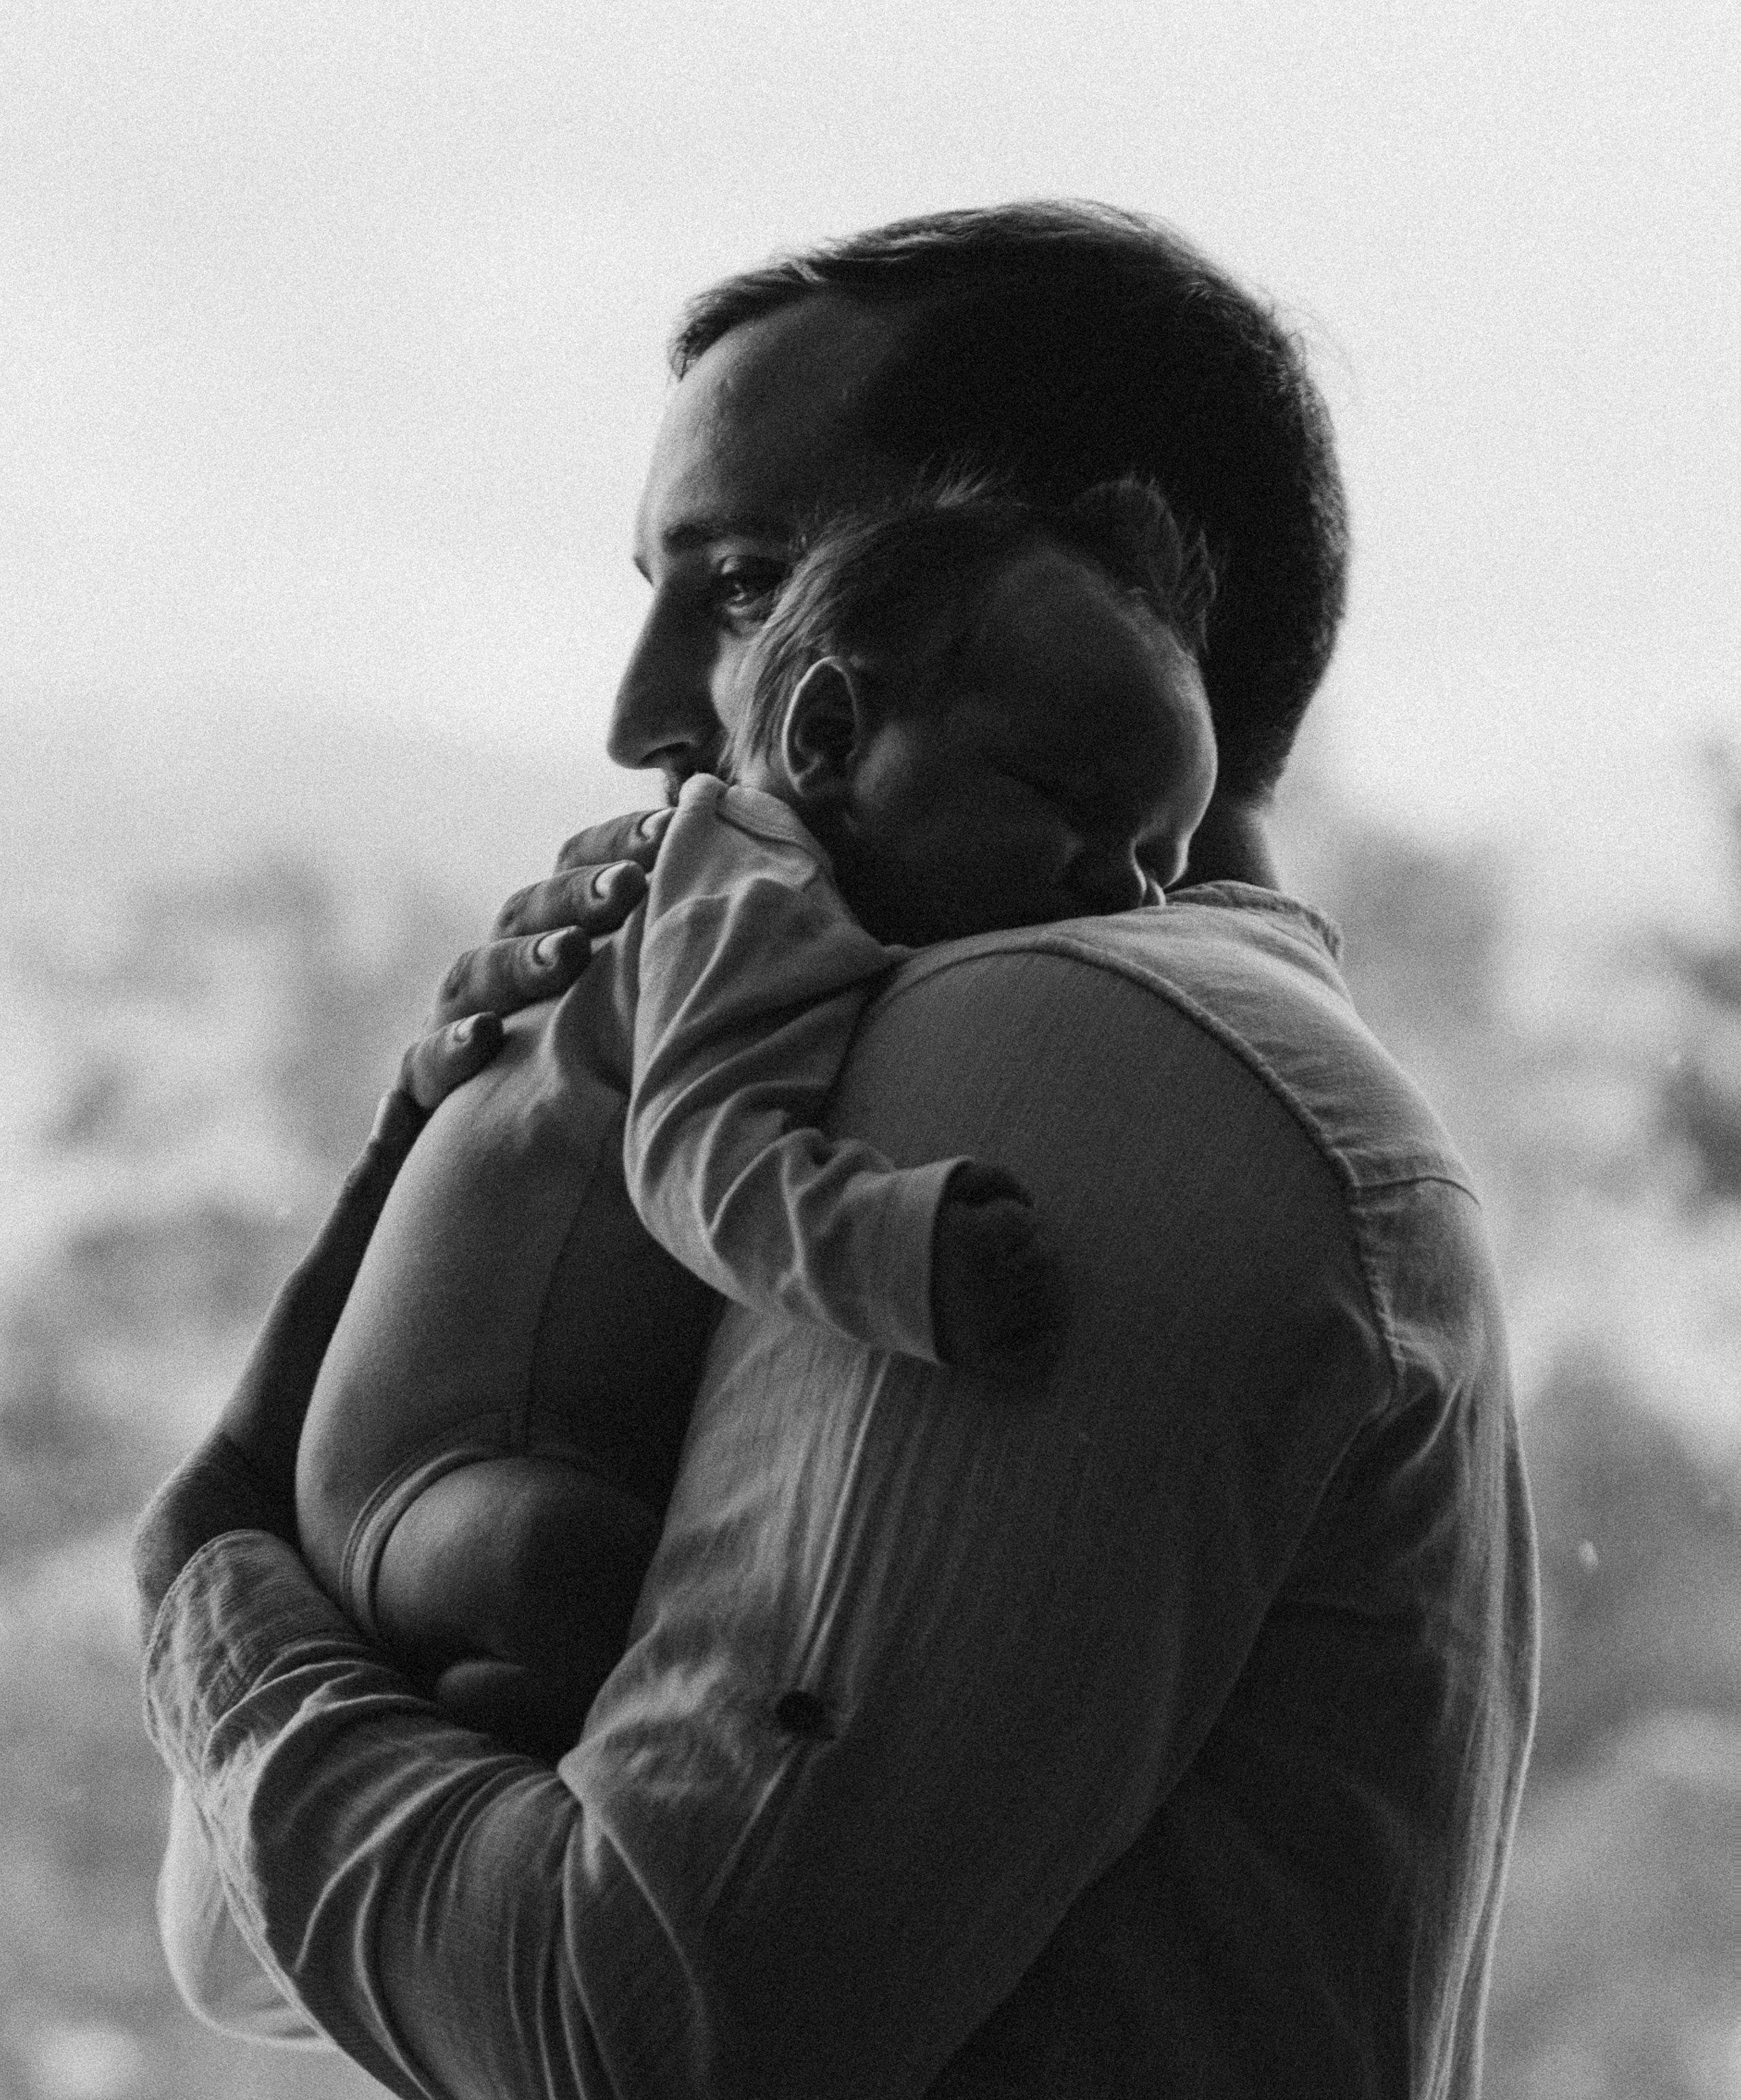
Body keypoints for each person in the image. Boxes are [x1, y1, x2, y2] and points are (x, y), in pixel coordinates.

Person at [135, 201, 1539, 2097]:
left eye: (740, 582)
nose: (644, 716)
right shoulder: (922, 1042)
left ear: (1110, 581)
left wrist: (210, 1579)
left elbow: (616, 2035)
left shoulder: (1074, 1048)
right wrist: (451, 1173)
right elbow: (257, 1947)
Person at [294, 477, 1214, 1761]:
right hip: (426, 1487)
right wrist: (904, 1251)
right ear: (831, 736)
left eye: (1160, 860)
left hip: (425, 1485)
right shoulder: (752, 886)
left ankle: (503, 1712)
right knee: (573, 1558)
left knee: (592, 1585)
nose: (1120, 891)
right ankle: (501, 1718)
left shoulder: (795, 895)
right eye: (1070, 804)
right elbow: (692, 1157)